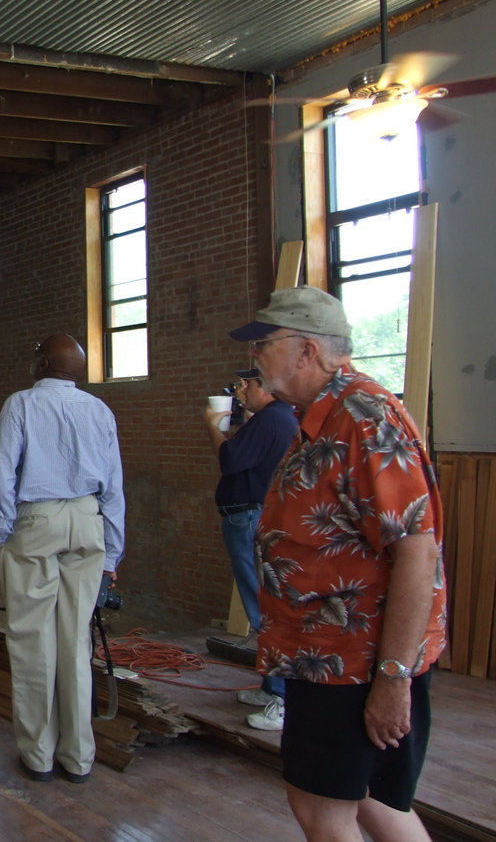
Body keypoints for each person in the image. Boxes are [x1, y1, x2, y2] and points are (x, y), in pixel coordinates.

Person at [229, 286, 447, 841]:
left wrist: (393, 679)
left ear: (307, 352)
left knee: (322, 808)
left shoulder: (362, 419)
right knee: (369, 799)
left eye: (266, 344)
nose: (255, 357)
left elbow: (417, 552)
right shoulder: (320, 416)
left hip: (350, 661)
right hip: (326, 657)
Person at [0, 333, 125, 784]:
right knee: (75, 641)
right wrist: (112, 551)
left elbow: (3, 474)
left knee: (32, 640)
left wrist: (2, 531)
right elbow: (114, 487)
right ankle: (78, 756)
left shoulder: (21, 404)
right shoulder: (99, 410)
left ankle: (39, 754)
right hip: (88, 520)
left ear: (43, 361)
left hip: (36, 521)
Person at [204, 366, 297, 731]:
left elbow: (229, 461)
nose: (240, 392)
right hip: (246, 516)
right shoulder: (273, 419)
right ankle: (269, 684)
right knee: (258, 600)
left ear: (267, 387)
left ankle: (280, 695)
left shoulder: (271, 420)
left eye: (246, 385)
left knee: (262, 605)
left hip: (249, 518)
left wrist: (214, 424)